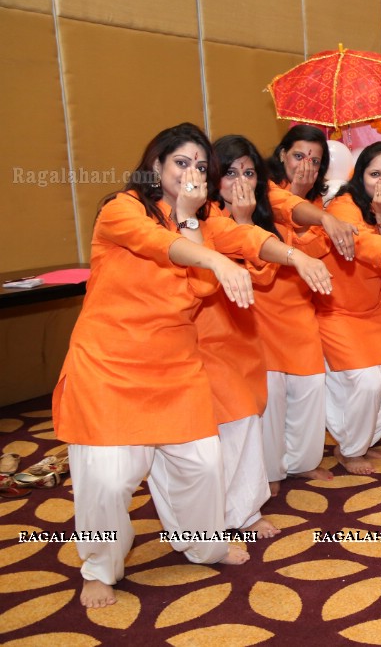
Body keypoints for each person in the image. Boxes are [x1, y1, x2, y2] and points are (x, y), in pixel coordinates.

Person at [53, 123, 312, 608]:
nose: (191, 172)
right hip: (109, 364)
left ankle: (201, 543)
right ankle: (99, 567)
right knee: (108, 478)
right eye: (181, 163)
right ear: (156, 166)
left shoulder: (204, 218)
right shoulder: (121, 209)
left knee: (202, 465)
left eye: (199, 165)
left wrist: (295, 255)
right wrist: (215, 261)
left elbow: (246, 238)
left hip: (175, 365)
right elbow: (160, 245)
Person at [199, 134, 331, 538]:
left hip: (248, 329)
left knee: (252, 418)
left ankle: (245, 509)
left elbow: (263, 267)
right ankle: (221, 520)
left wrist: (257, 223)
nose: (240, 179)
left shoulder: (263, 210)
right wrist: (252, 228)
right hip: (213, 334)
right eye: (231, 172)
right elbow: (246, 248)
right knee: (233, 428)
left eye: (248, 172)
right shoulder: (202, 216)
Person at [257, 125, 351, 494]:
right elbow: (284, 212)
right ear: (281, 155)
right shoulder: (261, 194)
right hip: (262, 308)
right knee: (273, 395)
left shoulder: (320, 206)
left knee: (311, 389)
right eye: (299, 155)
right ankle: (270, 471)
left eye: (315, 160)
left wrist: (319, 214)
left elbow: (317, 251)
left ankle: (299, 463)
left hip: (299, 309)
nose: (306, 165)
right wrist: (319, 216)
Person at [316, 142, 381, 475]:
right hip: (337, 312)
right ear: (359, 177)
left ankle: (358, 442)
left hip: (372, 313)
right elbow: (361, 240)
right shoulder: (343, 206)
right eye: (374, 174)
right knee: (368, 381)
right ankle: (351, 449)